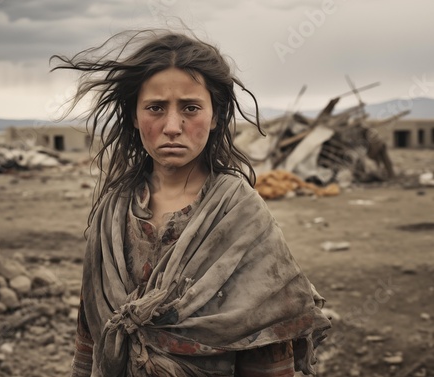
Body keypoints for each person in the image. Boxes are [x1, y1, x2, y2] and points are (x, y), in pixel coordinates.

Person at [52, 29, 331, 377]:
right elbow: (90, 341)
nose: (172, 126)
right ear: (134, 116)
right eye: (155, 108)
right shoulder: (112, 214)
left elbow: (266, 346)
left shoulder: (240, 215)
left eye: (190, 108)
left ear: (215, 117)